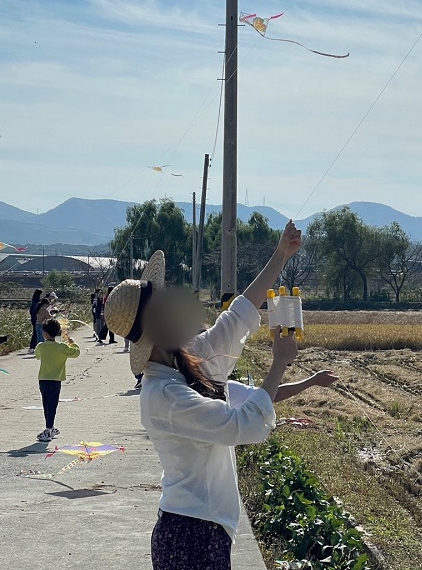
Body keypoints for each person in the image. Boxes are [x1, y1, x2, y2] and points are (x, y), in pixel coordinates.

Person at [104, 220, 309, 570]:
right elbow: (242, 426)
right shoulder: (163, 395)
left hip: (205, 528)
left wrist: (281, 254)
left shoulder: (183, 361)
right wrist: (279, 364)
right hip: (190, 533)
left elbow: (236, 319)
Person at [34, 319, 80, 442]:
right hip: (56, 380)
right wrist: (71, 342)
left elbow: (37, 355)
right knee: (53, 404)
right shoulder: (62, 347)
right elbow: (76, 352)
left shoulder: (41, 346)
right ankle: (50, 427)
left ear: (44, 333)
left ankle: (49, 428)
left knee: (46, 404)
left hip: (43, 379)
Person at [28, 289, 43, 354]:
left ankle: (33, 346)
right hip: (35, 320)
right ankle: (32, 347)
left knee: (35, 333)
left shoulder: (33, 302)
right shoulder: (35, 303)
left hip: (33, 319)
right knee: (36, 334)